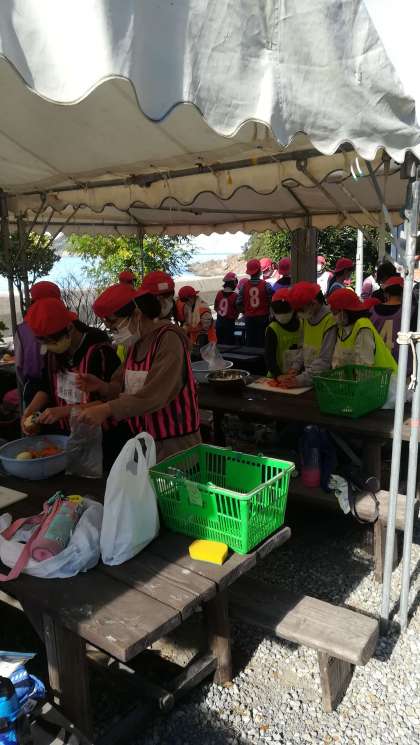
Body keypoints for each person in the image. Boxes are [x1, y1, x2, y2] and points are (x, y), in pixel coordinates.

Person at [77, 282, 201, 462]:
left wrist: (107, 409)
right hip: (144, 441)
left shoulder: (169, 340)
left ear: (136, 314)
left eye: (114, 324)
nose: (114, 332)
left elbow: (155, 395)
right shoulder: (135, 344)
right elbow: (123, 386)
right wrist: (103, 387)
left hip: (175, 444)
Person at [20, 296, 125, 465]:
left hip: (101, 440)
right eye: (43, 341)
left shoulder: (100, 351)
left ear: (69, 328)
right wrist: (30, 411)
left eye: (52, 341)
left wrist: (64, 411)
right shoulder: (53, 354)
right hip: (66, 437)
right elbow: (46, 387)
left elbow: (112, 399)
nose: (49, 346)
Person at [276, 282, 337, 388]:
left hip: (325, 381)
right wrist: (295, 368)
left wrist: (300, 380)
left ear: (313, 303)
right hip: (309, 378)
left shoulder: (330, 321)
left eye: (300, 309)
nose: (299, 314)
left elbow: (325, 360)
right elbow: (303, 348)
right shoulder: (307, 318)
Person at [14, 281, 62, 409]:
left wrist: (28, 383)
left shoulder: (22, 329)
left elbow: (19, 365)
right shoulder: (66, 324)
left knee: (33, 420)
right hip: (62, 387)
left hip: (35, 388)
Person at [328, 288, 397, 371]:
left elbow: (364, 366)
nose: (332, 315)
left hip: (387, 377)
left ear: (343, 311)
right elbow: (338, 359)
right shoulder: (342, 328)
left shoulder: (363, 327)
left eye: (334, 312)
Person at [265, 288, 302, 378]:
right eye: (279, 312)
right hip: (276, 377)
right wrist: (279, 375)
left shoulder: (302, 324)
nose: (282, 315)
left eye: (286, 311)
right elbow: (269, 357)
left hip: (298, 377)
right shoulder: (272, 328)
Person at [236, 259, 273, 347]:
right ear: (260, 271)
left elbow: (238, 303)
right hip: (263, 318)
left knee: (250, 341)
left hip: (249, 319)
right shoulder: (266, 285)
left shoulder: (244, 286)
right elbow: (272, 300)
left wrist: (245, 311)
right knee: (263, 341)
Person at [214, 272, 239, 345]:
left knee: (219, 342)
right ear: (234, 283)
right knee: (229, 343)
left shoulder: (219, 293)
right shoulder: (235, 296)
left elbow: (215, 307)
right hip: (230, 323)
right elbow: (237, 310)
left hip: (219, 321)